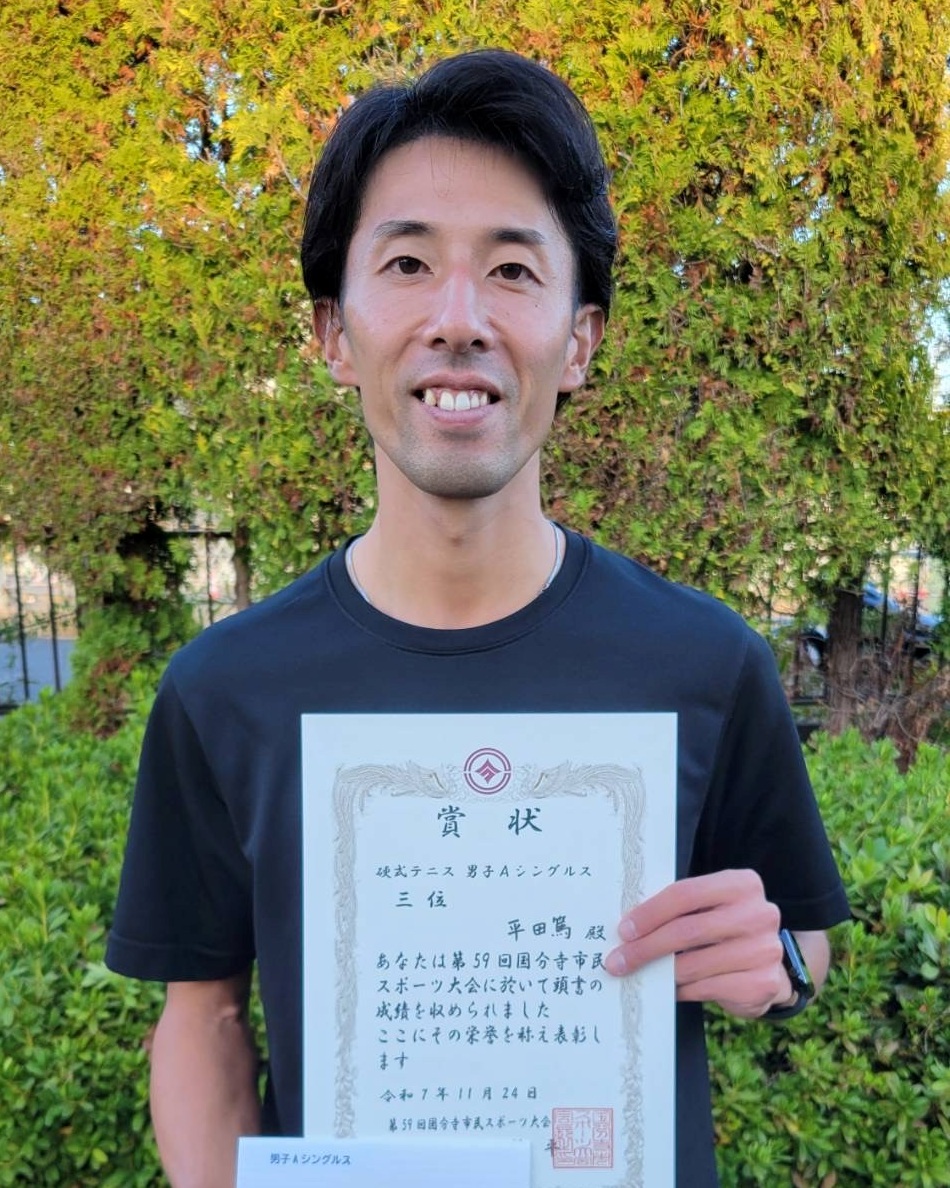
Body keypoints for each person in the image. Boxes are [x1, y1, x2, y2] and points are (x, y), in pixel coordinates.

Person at [106, 48, 850, 1187]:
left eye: (511, 270)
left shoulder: (704, 662)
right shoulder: (225, 691)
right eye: (407, 263)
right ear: (333, 333)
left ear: (579, 340)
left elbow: (802, 937)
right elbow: (202, 1015)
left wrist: (778, 965)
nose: (458, 319)